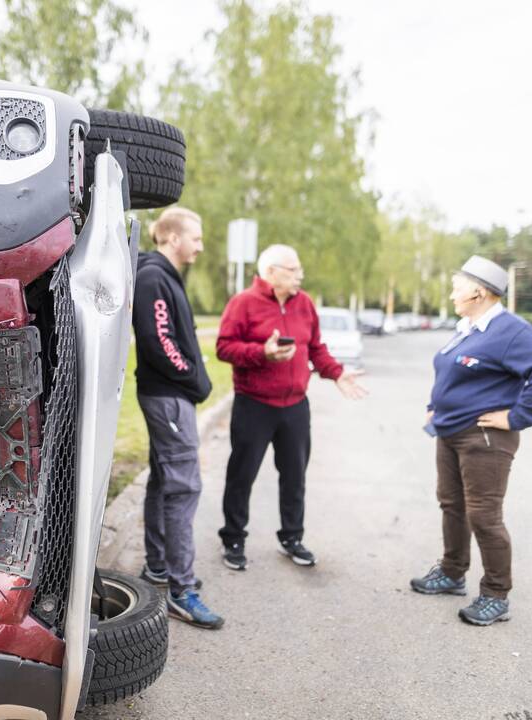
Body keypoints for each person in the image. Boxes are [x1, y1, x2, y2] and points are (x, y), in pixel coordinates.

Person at [411, 255, 532, 626]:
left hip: (484, 440)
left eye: (456, 286)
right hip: (450, 432)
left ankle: (496, 594)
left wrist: (516, 417)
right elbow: (451, 372)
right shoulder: (469, 326)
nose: (451, 294)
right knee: (452, 505)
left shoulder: (511, 331)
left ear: (479, 291)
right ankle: (452, 572)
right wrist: (436, 407)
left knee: (484, 516)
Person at [216, 244, 367, 571]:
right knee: (242, 475)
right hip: (253, 405)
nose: (300, 275)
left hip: (295, 406)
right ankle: (233, 537)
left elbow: (315, 348)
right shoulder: (243, 303)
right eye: (293, 269)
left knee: (295, 476)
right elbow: (224, 348)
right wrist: (262, 353)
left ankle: (292, 537)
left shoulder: (305, 303)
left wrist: (337, 374)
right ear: (271, 272)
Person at [132, 206, 223, 630]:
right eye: (197, 238)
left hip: (170, 397)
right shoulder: (153, 277)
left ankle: (158, 568)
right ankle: (182, 590)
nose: (201, 247)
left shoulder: (163, 276)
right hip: (169, 398)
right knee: (184, 487)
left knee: (163, 481)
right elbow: (157, 341)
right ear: (172, 238)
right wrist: (191, 378)